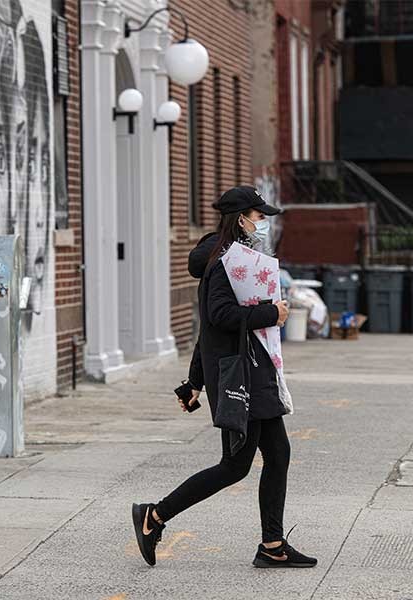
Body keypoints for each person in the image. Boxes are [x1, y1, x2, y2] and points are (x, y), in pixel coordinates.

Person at [132, 186, 317, 569]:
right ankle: (154, 515)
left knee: (278, 454)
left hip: (253, 370)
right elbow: (218, 317)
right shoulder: (223, 263)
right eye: (258, 215)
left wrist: (194, 381)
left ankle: (272, 545)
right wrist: (271, 314)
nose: (262, 222)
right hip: (240, 377)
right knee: (234, 465)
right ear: (241, 218)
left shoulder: (239, 259)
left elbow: (207, 332)